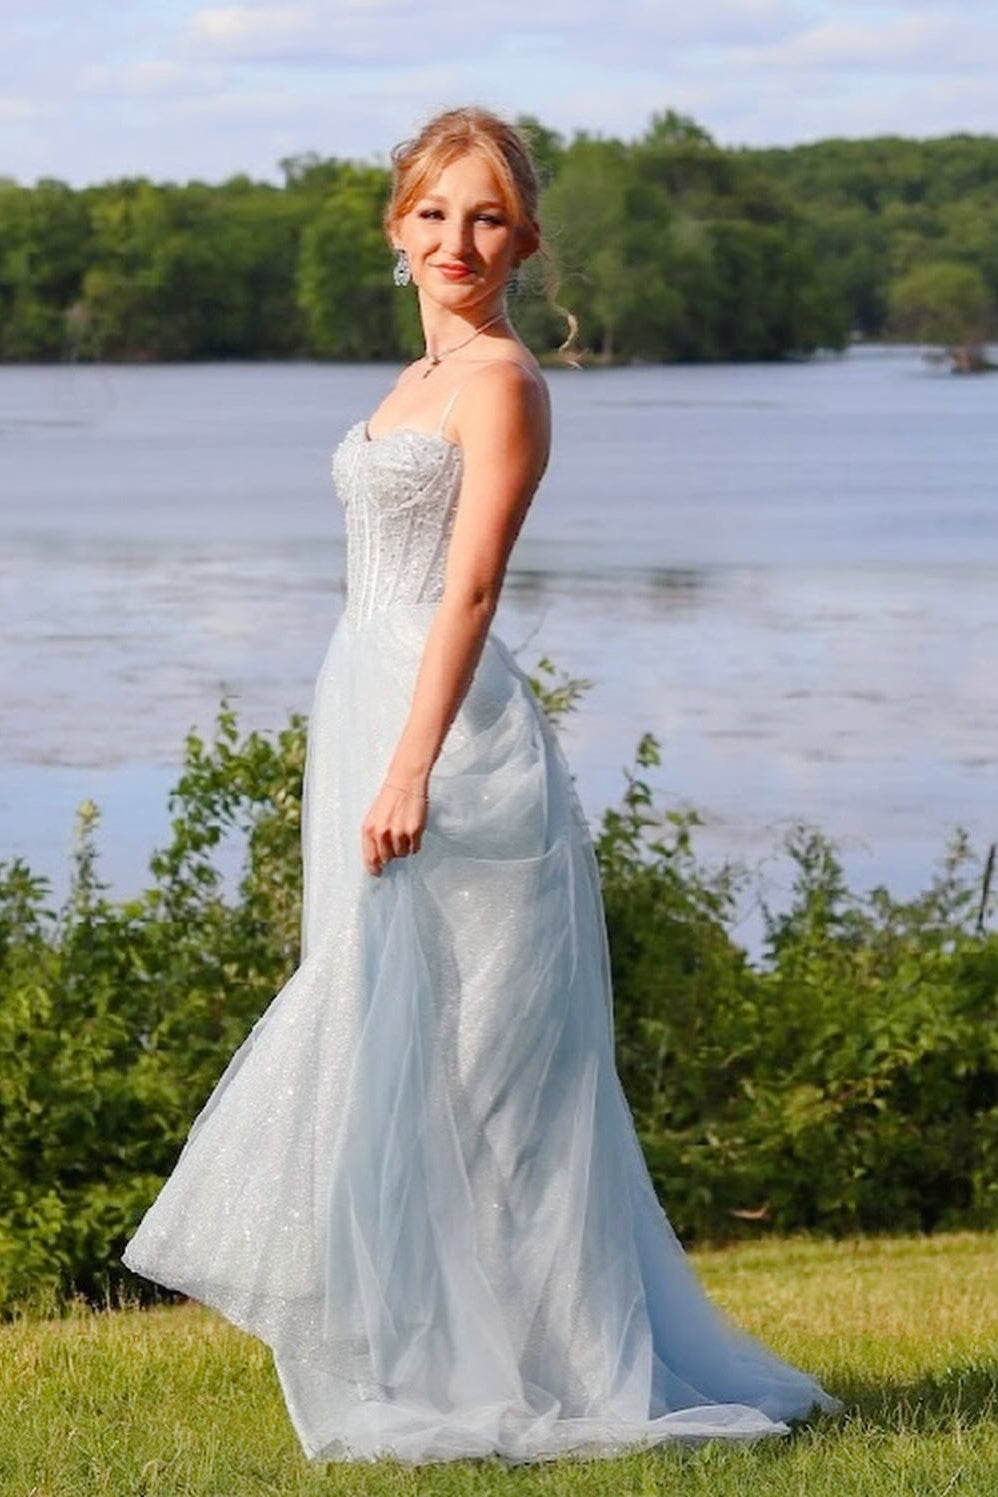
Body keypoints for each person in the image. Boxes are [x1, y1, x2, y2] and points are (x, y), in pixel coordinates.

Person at [122, 105, 842, 1465]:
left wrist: (409, 765)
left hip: (447, 737)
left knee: (490, 1066)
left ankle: (556, 1367)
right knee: (398, 1044)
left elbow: (469, 590)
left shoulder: (503, 382)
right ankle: (438, 1345)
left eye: (489, 217)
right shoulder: (413, 378)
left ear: (524, 243)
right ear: (396, 229)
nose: (459, 240)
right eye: (436, 213)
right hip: (366, 695)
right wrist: (366, 742)